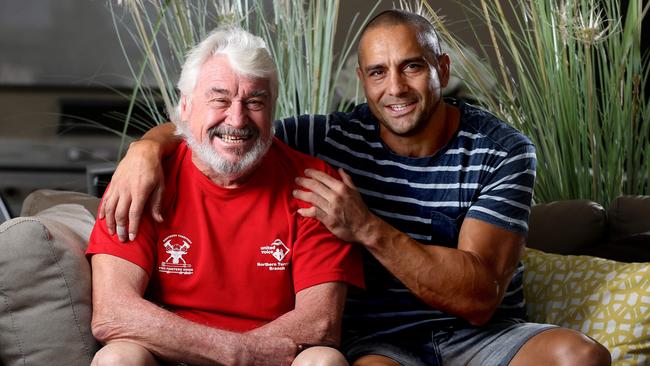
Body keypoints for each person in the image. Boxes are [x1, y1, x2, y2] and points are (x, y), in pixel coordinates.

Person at [101, 10, 612, 366]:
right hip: (382, 342)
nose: (395, 89)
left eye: (412, 66)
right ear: (362, 81)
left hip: (481, 333)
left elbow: (479, 297)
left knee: (581, 356)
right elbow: (235, 132)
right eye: (378, 73)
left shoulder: (501, 150)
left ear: (442, 69)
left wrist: (365, 226)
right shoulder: (330, 138)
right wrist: (145, 148)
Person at [86, 27, 364, 366]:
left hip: (274, 357)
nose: (237, 119)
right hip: (170, 355)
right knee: (118, 358)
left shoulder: (315, 186)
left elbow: (321, 323)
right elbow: (112, 313)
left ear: (272, 110)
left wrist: (244, 355)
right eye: (219, 99)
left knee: (324, 361)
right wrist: (232, 353)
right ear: (185, 108)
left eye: (255, 102)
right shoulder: (143, 181)